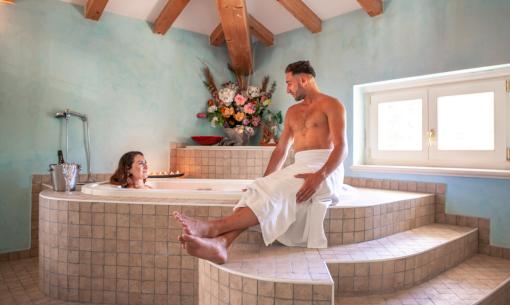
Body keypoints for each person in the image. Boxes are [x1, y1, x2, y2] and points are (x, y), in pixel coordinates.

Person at [173, 60, 347, 264]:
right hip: (300, 166)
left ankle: (214, 228)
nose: (288, 89)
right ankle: (221, 244)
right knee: (258, 188)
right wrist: (265, 182)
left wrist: (320, 176)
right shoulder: (293, 112)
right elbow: (281, 150)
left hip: (325, 166)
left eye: (289, 83)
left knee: (275, 190)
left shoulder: (331, 104)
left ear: (303, 79)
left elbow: (342, 147)